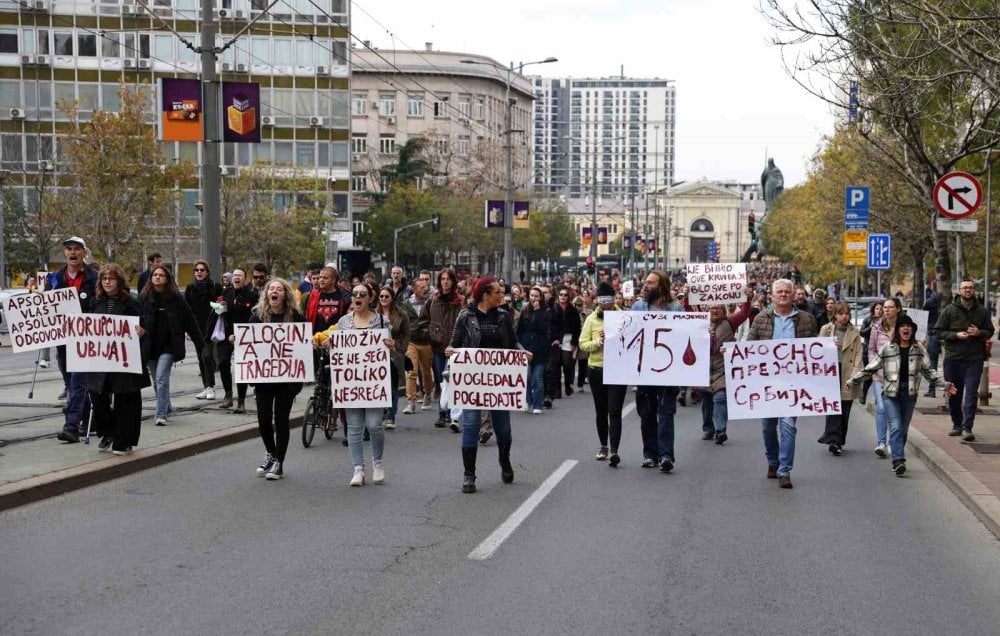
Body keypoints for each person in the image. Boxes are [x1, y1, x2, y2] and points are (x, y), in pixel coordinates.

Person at [447, 276, 530, 493]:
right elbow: (455, 344)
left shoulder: (503, 316)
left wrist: (522, 353)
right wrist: (451, 351)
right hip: (473, 382)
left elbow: (513, 343)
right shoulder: (465, 317)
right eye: (497, 293)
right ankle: (469, 474)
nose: (501, 296)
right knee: (471, 424)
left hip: (499, 381)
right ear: (485, 295)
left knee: (502, 427)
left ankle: (505, 460)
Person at [848, 314, 954, 476]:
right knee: (896, 426)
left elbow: (929, 371)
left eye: (909, 326)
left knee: (903, 429)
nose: (906, 328)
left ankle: (897, 452)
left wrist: (945, 385)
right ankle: (898, 460)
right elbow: (870, 368)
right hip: (890, 394)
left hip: (909, 394)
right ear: (898, 330)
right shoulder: (888, 348)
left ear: (912, 330)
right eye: (903, 326)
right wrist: (853, 380)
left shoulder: (918, 349)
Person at [746, 278, 818, 489]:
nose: (784, 295)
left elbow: (815, 350)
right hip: (767, 384)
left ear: (793, 294)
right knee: (768, 426)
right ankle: (772, 461)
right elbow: (749, 348)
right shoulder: (761, 319)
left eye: (787, 291)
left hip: (793, 384)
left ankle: (784, 471)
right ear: (772, 295)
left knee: (788, 427)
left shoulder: (807, 320)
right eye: (780, 292)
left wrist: (829, 348)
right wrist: (732, 353)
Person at [328, 282, 394, 486]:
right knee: (354, 427)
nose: (357, 297)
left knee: (374, 425)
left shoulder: (382, 322)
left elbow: (389, 352)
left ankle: (377, 462)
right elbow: (338, 352)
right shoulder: (343, 322)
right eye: (354, 294)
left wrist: (392, 347)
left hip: (374, 383)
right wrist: (331, 345)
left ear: (370, 298)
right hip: (351, 384)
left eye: (362, 294)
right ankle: (358, 469)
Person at [240, 278, 305, 480]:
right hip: (264, 379)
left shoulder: (295, 317)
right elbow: (249, 344)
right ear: (267, 294)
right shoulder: (257, 316)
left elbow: (301, 345)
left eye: (278, 289)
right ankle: (271, 452)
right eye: (271, 289)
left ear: (285, 294)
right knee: (264, 420)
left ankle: (279, 463)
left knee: (281, 420)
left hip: (287, 380)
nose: (274, 292)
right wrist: (238, 340)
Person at [85, 264, 150, 454]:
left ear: (119, 281)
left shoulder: (132, 302)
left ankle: (124, 441)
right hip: (101, 360)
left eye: (111, 278)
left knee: (126, 401)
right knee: (98, 398)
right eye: (104, 278)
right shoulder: (95, 302)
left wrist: (141, 332)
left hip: (124, 361)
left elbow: (144, 326)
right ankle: (109, 432)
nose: (107, 282)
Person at [631, 270, 683, 471]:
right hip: (645, 370)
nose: (646, 285)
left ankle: (666, 455)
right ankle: (649, 454)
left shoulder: (676, 310)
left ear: (662, 286)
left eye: (651, 283)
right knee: (648, 413)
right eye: (645, 282)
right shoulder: (638, 307)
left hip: (669, 372)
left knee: (666, 413)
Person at [140, 265, 203, 426]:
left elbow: (190, 320)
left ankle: (160, 414)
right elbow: (136, 319)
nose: (158, 277)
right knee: (156, 380)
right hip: (150, 346)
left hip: (169, 346)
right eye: (155, 275)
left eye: (161, 275)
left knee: (161, 378)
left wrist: (201, 343)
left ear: (167, 279)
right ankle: (167, 406)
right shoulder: (144, 298)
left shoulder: (176, 299)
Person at [936, 279, 994, 441]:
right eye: (964, 288)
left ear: (974, 291)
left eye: (970, 288)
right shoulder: (949, 310)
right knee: (954, 393)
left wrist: (979, 333)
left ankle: (967, 427)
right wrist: (955, 335)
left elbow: (990, 331)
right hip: (953, 359)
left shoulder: (982, 311)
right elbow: (938, 332)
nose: (967, 290)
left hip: (974, 359)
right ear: (959, 291)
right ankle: (957, 424)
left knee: (970, 394)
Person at [54, 237, 99, 443]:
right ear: (65, 253)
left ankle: (71, 426)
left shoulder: (95, 277)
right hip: (63, 339)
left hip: (85, 339)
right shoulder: (54, 278)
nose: (72, 253)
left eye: (77, 249)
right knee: (70, 381)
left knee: (78, 381)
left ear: (84, 252)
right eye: (69, 249)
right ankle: (89, 418)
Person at [579, 282, 628, 465]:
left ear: (613, 301)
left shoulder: (623, 317)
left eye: (608, 303)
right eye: (602, 303)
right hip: (596, 369)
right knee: (601, 411)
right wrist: (597, 343)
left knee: (615, 410)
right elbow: (583, 344)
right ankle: (603, 446)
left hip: (618, 370)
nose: (605, 307)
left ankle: (615, 450)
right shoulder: (591, 319)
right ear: (598, 302)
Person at [702, 292, 756, 445]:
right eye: (712, 308)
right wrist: (686, 297)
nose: (715, 311)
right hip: (704, 369)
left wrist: (747, 298)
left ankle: (721, 430)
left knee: (720, 398)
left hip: (722, 369)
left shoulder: (730, 322)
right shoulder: (700, 323)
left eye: (718, 308)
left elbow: (745, 313)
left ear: (723, 310)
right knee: (706, 401)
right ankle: (708, 429)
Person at [204, 268, 259, 412]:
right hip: (226, 335)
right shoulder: (225, 293)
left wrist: (246, 334)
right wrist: (218, 308)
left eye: (239, 275)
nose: (236, 277)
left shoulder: (252, 295)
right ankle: (228, 395)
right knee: (222, 363)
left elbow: (257, 316)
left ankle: (241, 401)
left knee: (242, 368)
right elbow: (218, 313)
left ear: (245, 279)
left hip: (244, 336)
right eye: (234, 275)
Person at [418, 268, 464, 430]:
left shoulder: (460, 302)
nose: (445, 281)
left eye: (448, 279)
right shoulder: (433, 300)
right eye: (443, 279)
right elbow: (423, 321)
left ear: (453, 281)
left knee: (450, 379)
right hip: (437, 347)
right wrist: (430, 334)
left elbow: (466, 323)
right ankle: (443, 412)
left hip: (455, 349)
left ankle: (449, 413)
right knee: (440, 380)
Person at [817, 302, 863, 455]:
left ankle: (838, 439)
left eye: (847, 313)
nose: (844, 316)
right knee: (832, 406)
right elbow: (816, 348)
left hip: (847, 372)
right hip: (830, 371)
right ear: (835, 315)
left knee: (845, 408)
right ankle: (833, 440)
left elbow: (858, 354)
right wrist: (828, 345)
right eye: (841, 313)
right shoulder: (827, 329)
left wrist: (855, 375)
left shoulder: (855, 332)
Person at [184, 260, 224, 402]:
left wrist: (220, 307)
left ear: (207, 272)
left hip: (211, 327)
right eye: (196, 270)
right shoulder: (190, 288)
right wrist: (186, 330)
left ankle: (211, 387)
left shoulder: (215, 287)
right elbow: (186, 311)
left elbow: (222, 306)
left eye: (202, 270)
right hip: (196, 328)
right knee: (201, 358)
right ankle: (206, 387)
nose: (199, 272)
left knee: (207, 355)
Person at [869, 298, 901, 457]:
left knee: (894, 411)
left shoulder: (904, 327)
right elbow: (871, 349)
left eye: (890, 307)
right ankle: (881, 443)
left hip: (898, 376)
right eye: (885, 307)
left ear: (898, 309)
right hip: (880, 375)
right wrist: (874, 365)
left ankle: (892, 442)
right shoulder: (876, 327)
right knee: (881, 408)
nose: (886, 310)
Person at [376, 285, 409, 430]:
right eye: (381, 296)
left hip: (394, 355)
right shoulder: (373, 314)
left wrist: (399, 348)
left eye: (386, 296)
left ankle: (391, 416)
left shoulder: (401, 314)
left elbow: (406, 334)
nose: (383, 299)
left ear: (392, 298)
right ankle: (381, 411)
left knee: (393, 386)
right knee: (379, 385)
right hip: (376, 356)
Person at [516, 287, 551, 414]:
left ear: (540, 298)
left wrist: (537, 312)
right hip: (526, 349)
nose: (534, 299)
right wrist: (519, 347)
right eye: (532, 296)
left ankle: (537, 404)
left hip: (540, 350)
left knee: (538, 378)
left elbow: (543, 329)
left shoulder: (546, 312)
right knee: (526, 376)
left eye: (536, 296)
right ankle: (527, 400)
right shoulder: (524, 310)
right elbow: (519, 330)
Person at [402, 278, 435, 414]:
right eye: (421, 287)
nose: (425, 289)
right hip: (411, 342)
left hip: (427, 342)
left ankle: (427, 394)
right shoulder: (405, 304)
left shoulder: (432, 302)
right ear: (414, 289)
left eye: (426, 286)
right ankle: (411, 402)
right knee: (412, 371)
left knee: (426, 371)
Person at [547, 287, 581, 401]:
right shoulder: (553, 308)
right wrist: (554, 338)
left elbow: (577, 327)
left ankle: (567, 384)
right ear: (558, 296)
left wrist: (574, 342)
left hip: (568, 338)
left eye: (565, 295)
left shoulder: (573, 310)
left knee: (567, 364)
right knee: (556, 365)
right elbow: (551, 325)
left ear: (568, 297)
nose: (563, 297)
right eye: (561, 294)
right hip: (556, 339)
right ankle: (557, 390)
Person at [858, 301, 883, 405]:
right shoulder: (868, 319)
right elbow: (862, 333)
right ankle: (863, 394)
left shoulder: (886, 321)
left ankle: (879, 397)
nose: (879, 311)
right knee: (870, 374)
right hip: (868, 351)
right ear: (873, 310)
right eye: (877, 308)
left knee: (880, 375)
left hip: (881, 351)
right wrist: (871, 327)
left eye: (881, 309)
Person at [922, 290, 941, 397]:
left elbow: (924, 315)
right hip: (936, 334)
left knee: (931, 363)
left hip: (931, 333)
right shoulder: (939, 305)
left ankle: (932, 389)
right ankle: (932, 389)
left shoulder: (929, 302)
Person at [573, 295, 591, 393]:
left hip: (583, 340)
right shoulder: (570, 313)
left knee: (582, 363)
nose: (577, 307)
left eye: (579, 305)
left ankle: (580, 384)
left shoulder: (588, 314)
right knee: (570, 364)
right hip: (573, 340)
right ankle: (570, 383)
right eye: (576, 305)